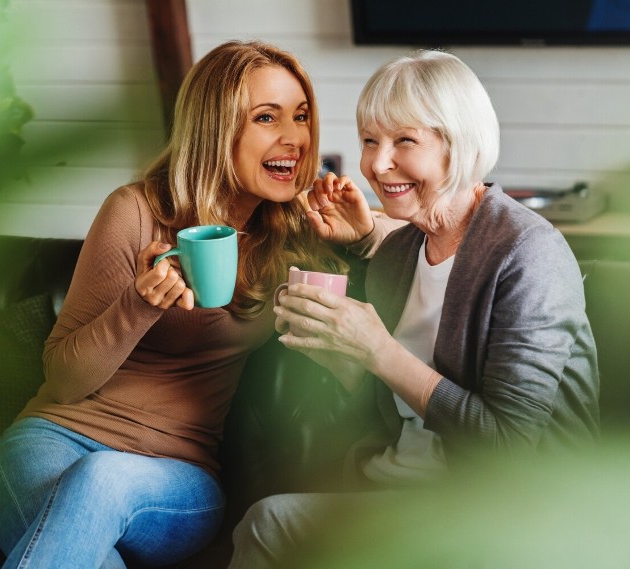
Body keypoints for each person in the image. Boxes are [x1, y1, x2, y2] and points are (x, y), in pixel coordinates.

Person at [0, 40, 347, 568]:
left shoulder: (295, 234)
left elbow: (416, 230)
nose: (294, 138)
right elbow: (64, 381)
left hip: (178, 479)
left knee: (103, 477)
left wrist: (360, 236)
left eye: (302, 116)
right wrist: (139, 304)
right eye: (267, 118)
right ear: (215, 128)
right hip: (51, 444)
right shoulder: (135, 211)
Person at [228, 49, 600, 568]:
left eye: (405, 141)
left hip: (511, 510)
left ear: (459, 144)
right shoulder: (399, 254)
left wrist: (378, 351)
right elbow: (393, 408)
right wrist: (342, 356)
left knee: (269, 525)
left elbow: (508, 444)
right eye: (369, 141)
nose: (378, 165)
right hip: (399, 487)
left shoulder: (528, 252)